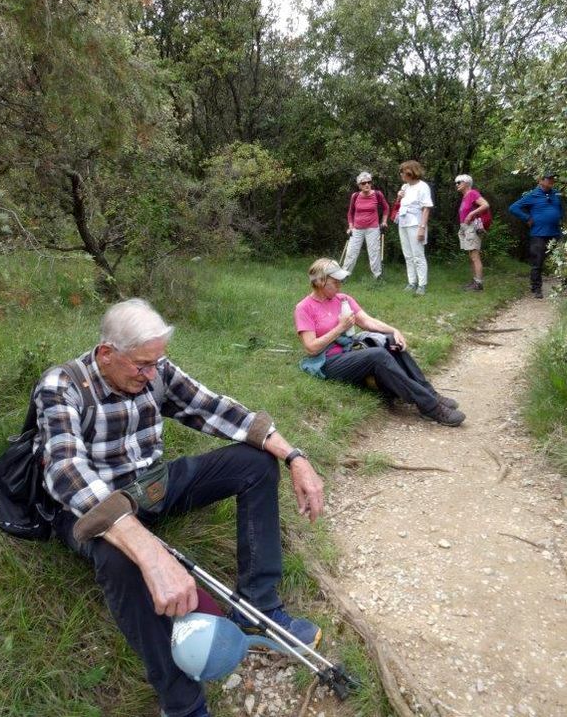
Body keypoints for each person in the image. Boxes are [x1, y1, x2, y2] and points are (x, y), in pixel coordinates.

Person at [33, 298, 324, 717]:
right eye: (142, 365)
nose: (152, 374)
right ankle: (182, 702)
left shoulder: (157, 370)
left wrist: (294, 456)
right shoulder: (62, 386)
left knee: (255, 463)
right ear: (106, 353)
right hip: (92, 506)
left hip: (151, 487)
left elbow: (216, 410)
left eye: (157, 363)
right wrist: (149, 551)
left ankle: (258, 605)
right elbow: (65, 471)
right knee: (118, 561)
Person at [294, 258, 466, 427]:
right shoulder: (304, 308)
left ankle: (430, 393)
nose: (340, 284)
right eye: (335, 281)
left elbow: (368, 322)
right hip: (328, 361)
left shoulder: (343, 299)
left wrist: (394, 331)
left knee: (391, 342)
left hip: (349, 352)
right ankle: (431, 407)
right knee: (377, 355)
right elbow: (311, 348)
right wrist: (340, 328)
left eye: (341, 280)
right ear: (320, 281)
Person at [508, 172, 563, 299]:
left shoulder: (555, 194)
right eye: (548, 179)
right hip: (538, 234)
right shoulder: (532, 195)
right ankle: (536, 288)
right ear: (540, 181)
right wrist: (527, 217)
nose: (551, 181)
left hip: (555, 233)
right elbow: (513, 208)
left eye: (552, 179)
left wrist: (558, 218)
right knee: (537, 261)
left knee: (561, 260)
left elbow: (559, 209)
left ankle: (563, 287)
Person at [394, 160, 434, 295]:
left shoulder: (423, 187)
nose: (401, 174)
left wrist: (422, 228)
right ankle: (412, 282)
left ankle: (422, 284)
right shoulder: (405, 187)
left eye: (402, 172)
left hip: (416, 224)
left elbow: (426, 208)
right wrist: (399, 197)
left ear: (410, 172)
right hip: (403, 224)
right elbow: (399, 206)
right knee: (408, 255)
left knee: (418, 255)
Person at [342, 171, 390, 281]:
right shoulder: (355, 196)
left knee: (374, 253)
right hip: (357, 229)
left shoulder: (377, 194)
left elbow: (386, 208)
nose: (367, 185)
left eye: (369, 182)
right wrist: (350, 226)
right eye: (363, 183)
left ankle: (377, 276)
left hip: (373, 228)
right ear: (359, 185)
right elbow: (350, 213)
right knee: (351, 253)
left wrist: (384, 221)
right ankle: (344, 275)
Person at [455, 174, 490, 291]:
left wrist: (471, 214)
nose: (457, 184)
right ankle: (475, 281)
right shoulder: (465, 196)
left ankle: (479, 284)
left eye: (459, 182)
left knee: (475, 256)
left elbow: (485, 205)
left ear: (466, 183)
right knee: (471, 256)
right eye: (456, 182)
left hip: (472, 228)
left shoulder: (472, 193)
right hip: (465, 228)